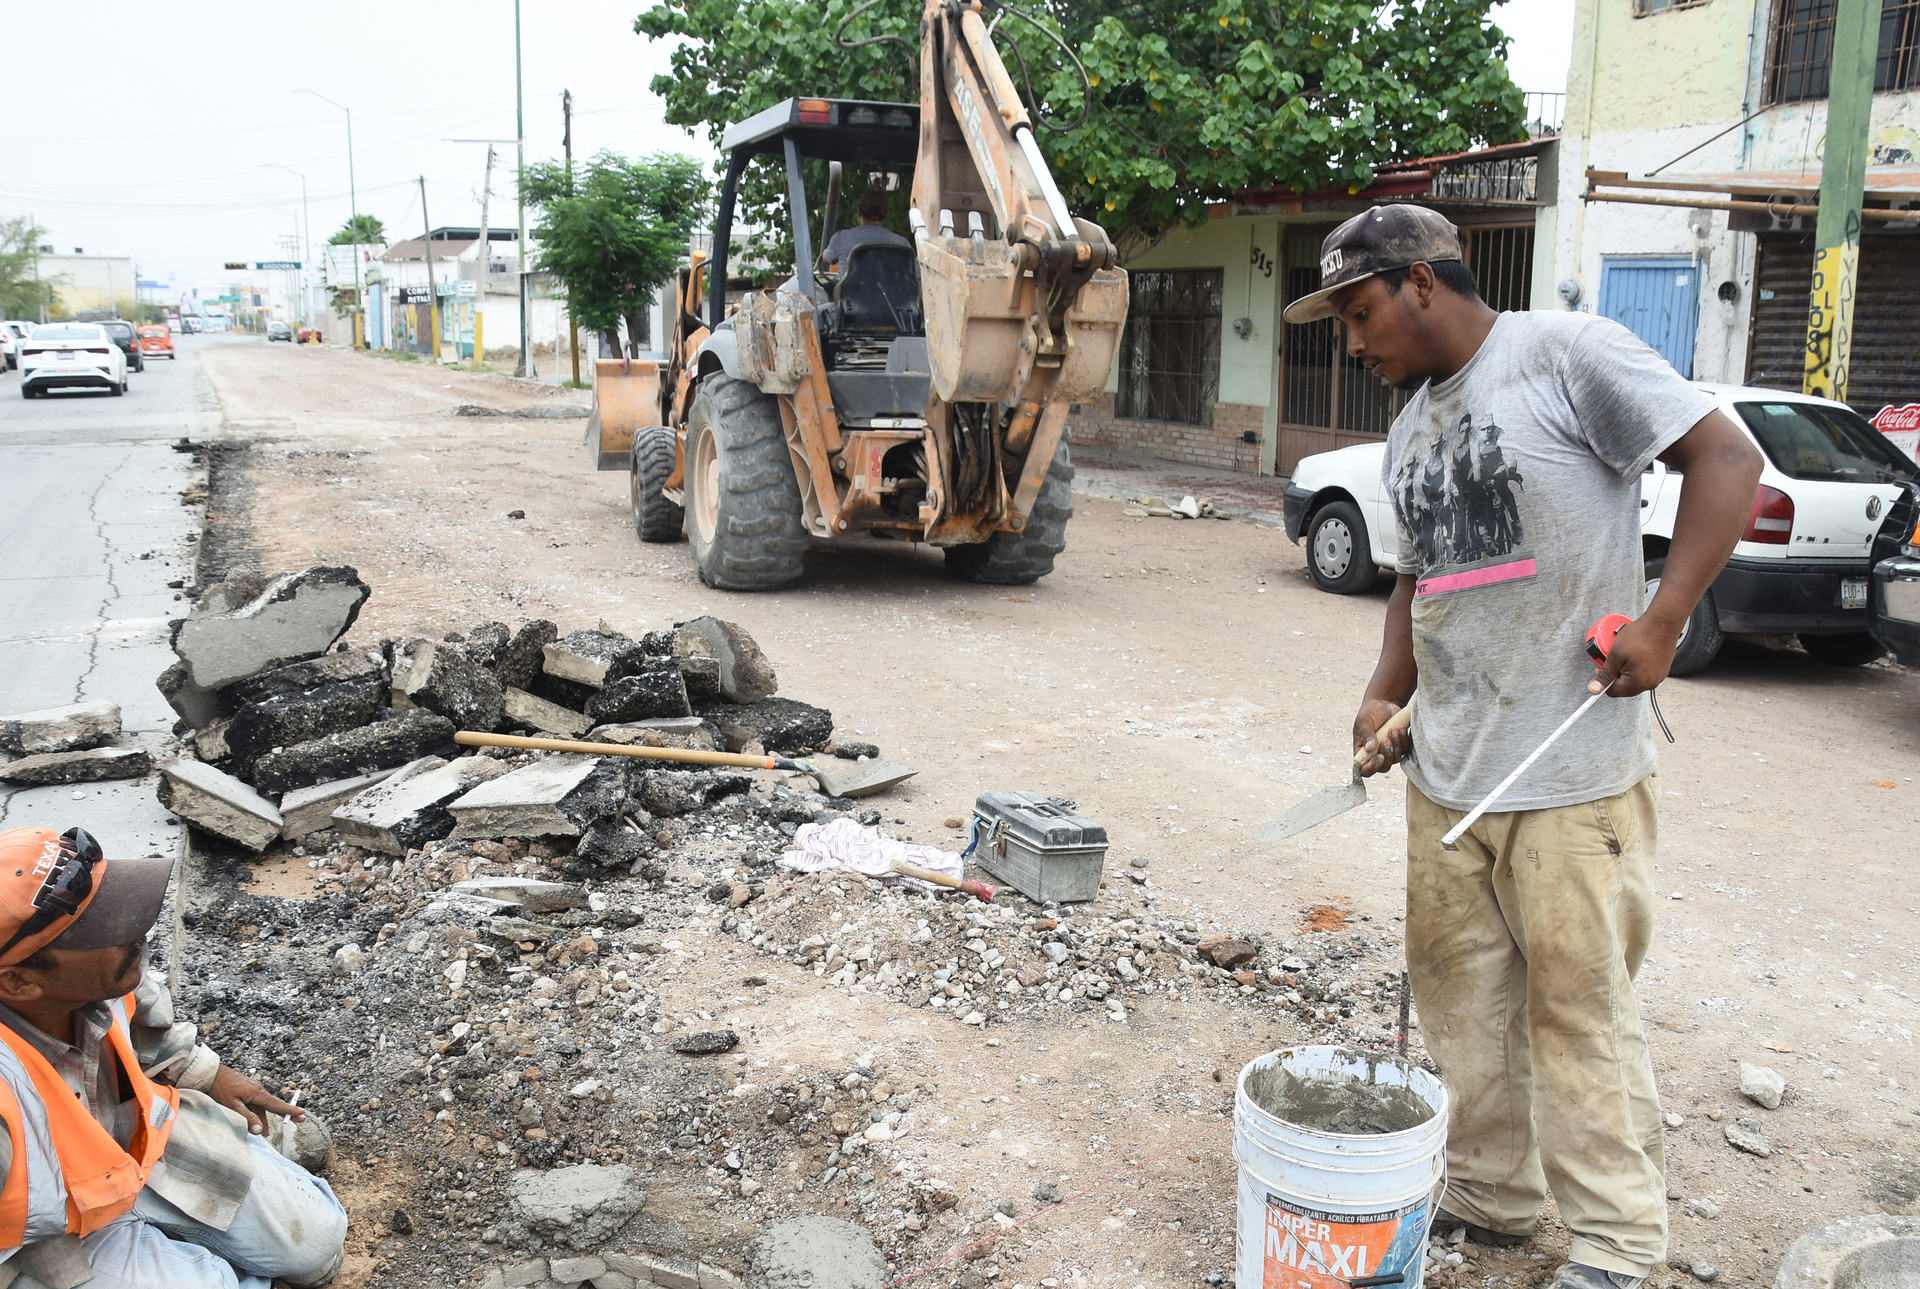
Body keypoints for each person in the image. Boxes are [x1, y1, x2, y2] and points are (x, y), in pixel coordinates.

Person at [1285, 205, 1762, 1289]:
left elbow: (1727, 457)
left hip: (1570, 771)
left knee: (1577, 1008)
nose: (1353, 343)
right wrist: (1385, 692)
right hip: (1449, 768)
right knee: (1462, 1000)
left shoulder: (1565, 356)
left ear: (1420, 281)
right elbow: (1418, 578)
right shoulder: (1410, 426)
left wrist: (1666, 617)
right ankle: (1493, 1195)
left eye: (1359, 313)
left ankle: (1617, 1244)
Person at [0, 826, 348, 1288]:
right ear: (19, 982)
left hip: (134, 1148)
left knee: (316, 1246)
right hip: (47, 1229)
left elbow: (145, 1031)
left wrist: (210, 1076)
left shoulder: (102, 978)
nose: (133, 931)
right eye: (100, 930)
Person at [816, 187, 911, 275]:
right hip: (891, 289)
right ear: (887, 214)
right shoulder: (902, 244)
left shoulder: (840, 239)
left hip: (852, 289)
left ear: (859, 211)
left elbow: (825, 258)